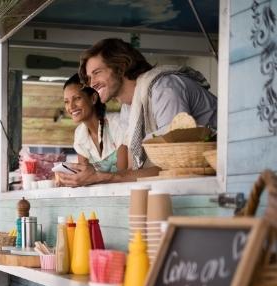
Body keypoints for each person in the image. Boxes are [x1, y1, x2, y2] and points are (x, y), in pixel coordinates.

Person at [60, 38, 217, 187]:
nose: (92, 83)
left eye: (97, 72)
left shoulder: (164, 89)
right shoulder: (129, 108)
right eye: (89, 77)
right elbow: (132, 172)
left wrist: (102, 176)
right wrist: (96, 177)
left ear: (121, 66)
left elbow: (174, 167)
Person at [62, 73, 128, 176]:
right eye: (66, 101)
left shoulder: (117, 124)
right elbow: (84, 177)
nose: (71, 106)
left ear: (93, 98)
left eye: (77, 98)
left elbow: (123, 175)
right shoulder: (80, 134)